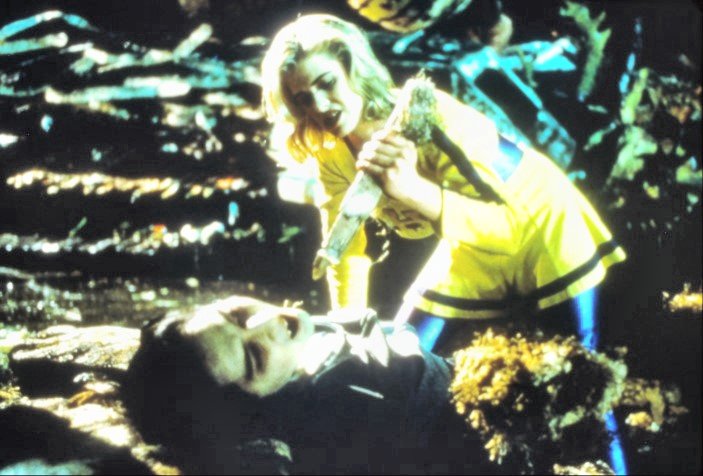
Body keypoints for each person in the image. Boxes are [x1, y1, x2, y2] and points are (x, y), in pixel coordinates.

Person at [260, 14, 626, 356]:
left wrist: (411, 190)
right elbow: (345, 245)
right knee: (404, 359)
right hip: (468, 242)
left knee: (577, 371)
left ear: (353, 68)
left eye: (327, 83)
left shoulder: (431, 114)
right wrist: (349, 330)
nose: (320, 106)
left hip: (543, 226)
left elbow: (510, 230)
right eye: (304, 99)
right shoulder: (330, 151)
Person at [122, 295, 494, 475]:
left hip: (434, 355)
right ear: (256, 407)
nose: (265, 323)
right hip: (480, 423)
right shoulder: (332, 420)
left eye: (234, 314)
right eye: (255, 356)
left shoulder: (299, 347)